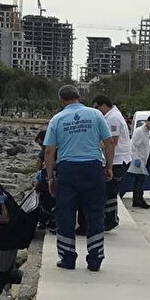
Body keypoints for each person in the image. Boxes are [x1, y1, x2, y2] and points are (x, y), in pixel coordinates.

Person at [44, 85, 114, 271]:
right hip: (92, 167)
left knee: (65, 214)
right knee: (95, 214)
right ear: (79, 97)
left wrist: (50, 177)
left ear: (62, 100)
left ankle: (67, 258)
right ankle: (95, 258)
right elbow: (109, 142)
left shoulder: (57, 119)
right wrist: (108, 166)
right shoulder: (96, 115)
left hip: (68, 170)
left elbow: (49, 150)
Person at [92, 94, 132, 230]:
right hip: (117, 159)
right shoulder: (111, 116)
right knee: (108, 191)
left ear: (103, 105)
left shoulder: (113, 118)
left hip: (117, 160)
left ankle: (110, 220)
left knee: (110, 192)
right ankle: (109, 218)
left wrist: (93, 146)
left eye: (97, 108)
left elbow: (112, 142)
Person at [128, 115, 150, 209]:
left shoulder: (147, 132)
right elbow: (133, 146)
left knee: (139, 181)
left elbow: (145, 144)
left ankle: (137, 200)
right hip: (138, 160)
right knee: (140, 181)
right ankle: (139, 200)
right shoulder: (139, 131)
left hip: (143, 160)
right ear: (147, 121)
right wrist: (136, 159)